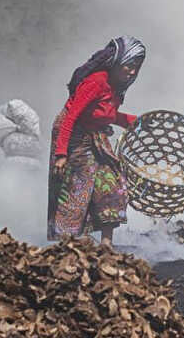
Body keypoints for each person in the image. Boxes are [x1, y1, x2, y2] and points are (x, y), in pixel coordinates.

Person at [47, 36, 146, 246]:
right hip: (74, 135)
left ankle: (106, 245)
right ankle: (68, 244)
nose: (132, 72)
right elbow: (71, 117)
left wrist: (135, 122)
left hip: (95, 134)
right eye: (129, 65)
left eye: (136, 67)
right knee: (77, 188)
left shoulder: (116, 86)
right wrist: (61, 154)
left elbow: (104, 114)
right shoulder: (96, 82)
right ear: (117, 62)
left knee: (111, 184)